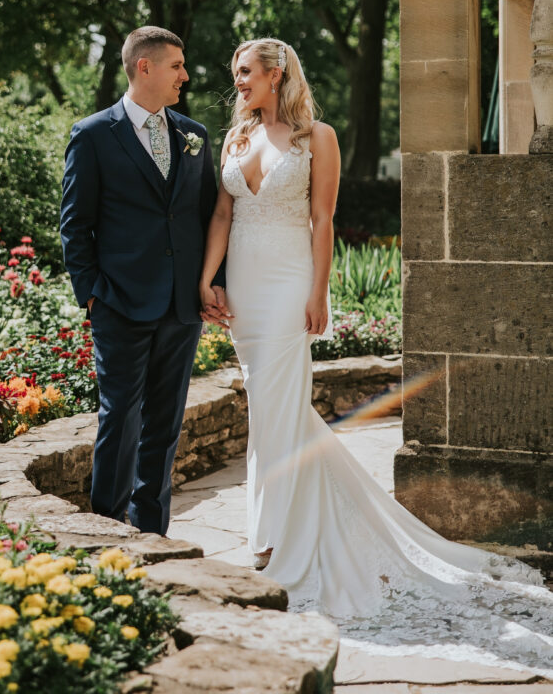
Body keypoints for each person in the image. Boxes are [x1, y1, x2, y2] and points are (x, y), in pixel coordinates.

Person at [199, 37, 552, 662]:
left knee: (279, 405)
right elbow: (224, 213)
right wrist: (209, 277)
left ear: (277, 74)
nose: (239, 84)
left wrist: (319, 292)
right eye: (236, 75)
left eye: (246, 73)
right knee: (267, 408)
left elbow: (323, 219)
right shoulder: (234, 138)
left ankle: (276, 541)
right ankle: (274, 529)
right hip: (245, 290)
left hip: (286, 282)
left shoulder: (319, 138)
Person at [61, 25, 226, 536]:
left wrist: (211, 282)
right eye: (177, 65)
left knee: (165, 424)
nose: (186, 75)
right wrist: (91, 295)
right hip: (119, 303)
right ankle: (106, 529)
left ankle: (153, 532)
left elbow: (209, 216)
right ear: (144, 67)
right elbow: (74, 224)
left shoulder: (194, 134)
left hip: (182, 307)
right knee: (120, 419)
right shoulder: (92, 134)